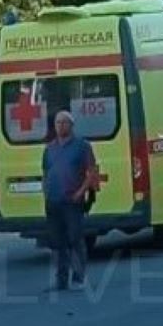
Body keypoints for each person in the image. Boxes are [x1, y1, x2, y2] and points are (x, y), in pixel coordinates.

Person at [42, 110, 97, 291]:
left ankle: (79, 277)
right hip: (53, 201)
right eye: (58, 123)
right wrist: (46, 191)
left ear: (71, 125)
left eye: (64, 122)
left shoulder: (82, 146)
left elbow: (91, 172)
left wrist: (81, 192)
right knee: (57, 243)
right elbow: (46, 172)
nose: (60, 126)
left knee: (75, 239)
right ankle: (61, 280)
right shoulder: (49, 148)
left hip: (73, 200)